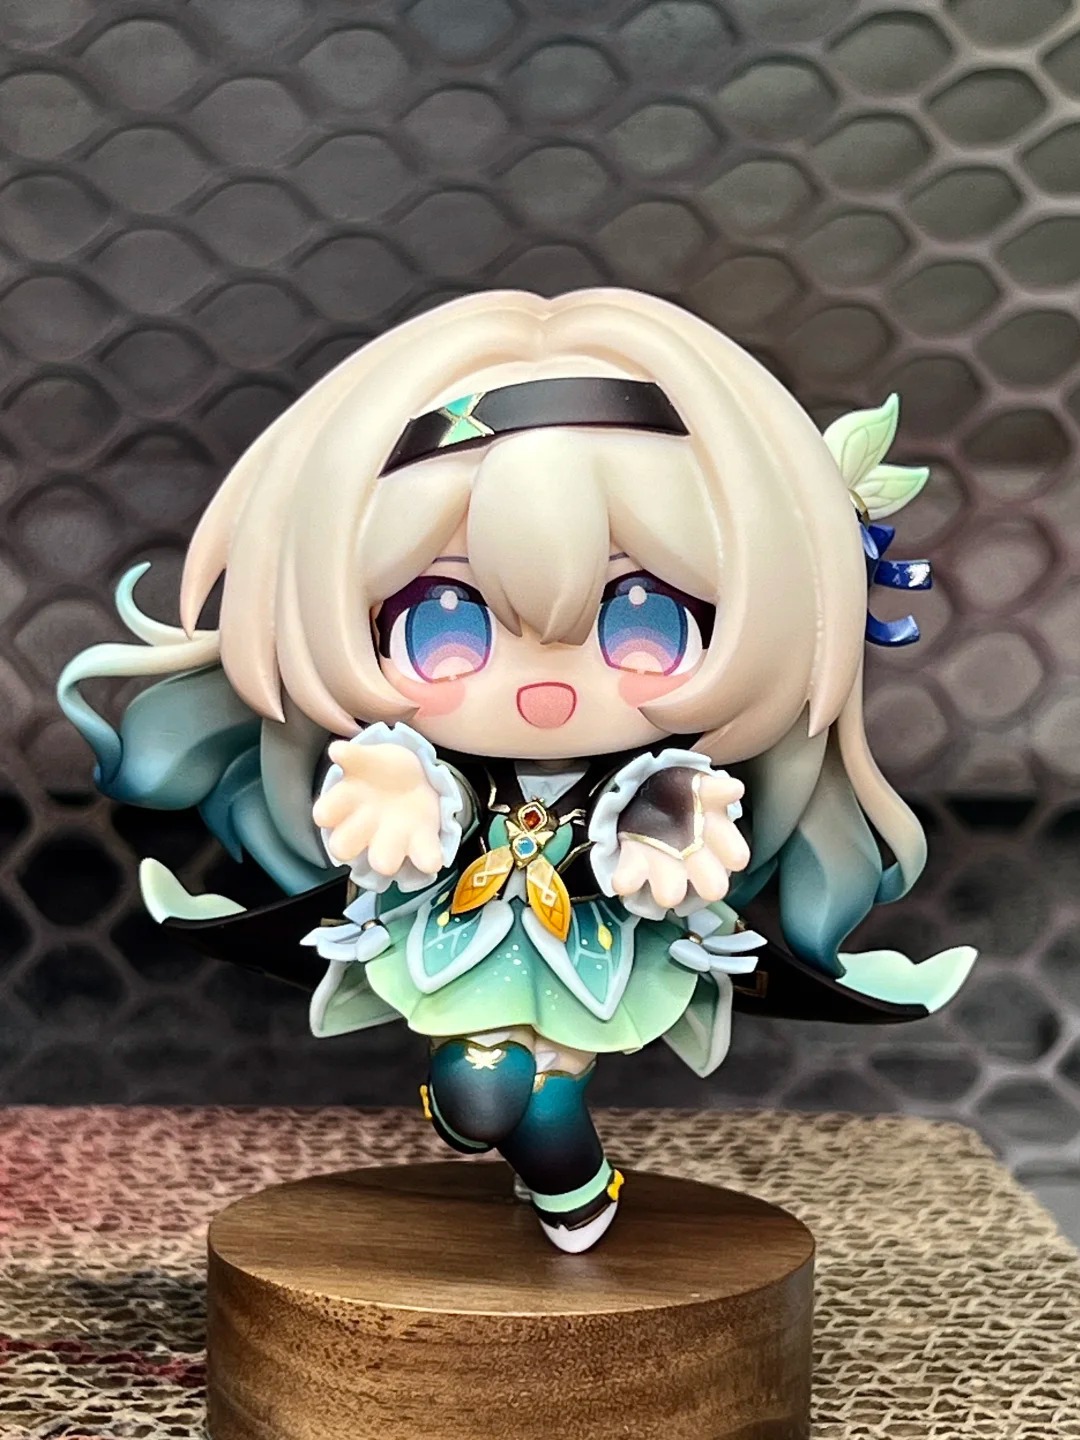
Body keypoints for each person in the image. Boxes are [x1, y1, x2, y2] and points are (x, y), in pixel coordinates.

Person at [59, 289, 976, 1252]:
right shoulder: (431, 765)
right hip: (464, 932)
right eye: (440, 620)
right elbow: (415, 810)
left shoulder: (666, 783)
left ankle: (571, 1189)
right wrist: (391, 801)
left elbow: (683, 839)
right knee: (480, 1088)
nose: (544, 691)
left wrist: (676, 839)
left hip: (600, 946)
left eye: (648, 616)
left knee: (535, 1098)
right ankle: (497, 1132)